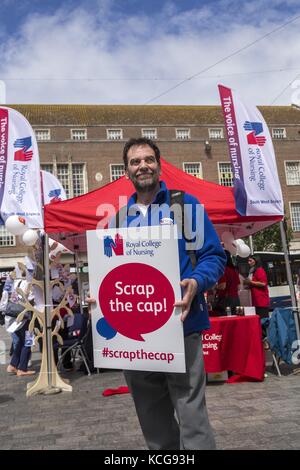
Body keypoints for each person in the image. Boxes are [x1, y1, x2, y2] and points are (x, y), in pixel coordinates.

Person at [107, 137, 226, 450]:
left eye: (148, 159)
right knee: (153, 421)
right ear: (126, 171)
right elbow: (110, 273)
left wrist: (197, 281)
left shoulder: (185, 205)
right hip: (135, 336)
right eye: (135, 161)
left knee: (192, 415)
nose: (143, 165)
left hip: (181, 325)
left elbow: (215, 256)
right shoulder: (117, 220)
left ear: (159, 165)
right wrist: (100, 299)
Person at [215, 250, 241, 315]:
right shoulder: (234, 270)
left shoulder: (222, 269)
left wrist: (214, 287)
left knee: (225, 320)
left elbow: (223, 286)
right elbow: (239, 286)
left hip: (225, 299)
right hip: (235, 298)